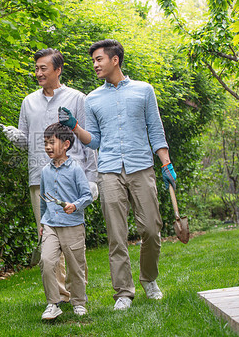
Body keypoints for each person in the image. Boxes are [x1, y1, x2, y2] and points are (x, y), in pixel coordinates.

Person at [58, 39, 177, 310]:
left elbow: (155, 130)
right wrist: (75, 126)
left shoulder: (144, 91)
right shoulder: (93, 99)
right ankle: (123, 291)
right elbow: (94, 141)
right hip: (109, 169)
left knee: (151, 228)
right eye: (94, 61)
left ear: (115, 60)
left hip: (141, 166)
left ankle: (149, 278)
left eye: (99, 60)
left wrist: (166, 163)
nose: (95, 65)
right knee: (116, 234)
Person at [0, 48, 97, 301]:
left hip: (70, 179)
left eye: (44, 68)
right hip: (39, 178)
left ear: (58, 70)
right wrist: (14, 136)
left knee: (72, 240)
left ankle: (78, 294)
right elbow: (26, 142)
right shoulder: (28, 101)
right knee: (47, 237)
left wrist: (92, 179)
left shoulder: (77, 98)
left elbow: (88, 140)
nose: (39, 73)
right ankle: (59, 296)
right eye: (36, 69)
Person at [39, 123, 92, 320]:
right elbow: (43, 199)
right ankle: (53, 303)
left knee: (75, 267)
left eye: (51, 142)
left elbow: (87, 196)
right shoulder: (45, 171)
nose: (47, 147)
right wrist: (42, 225)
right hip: (51, 224)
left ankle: (79, 302)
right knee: (46, 261)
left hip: (73, 225)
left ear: (66, 144)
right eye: (45, 143)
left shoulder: (76, 169)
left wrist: (75, 205)